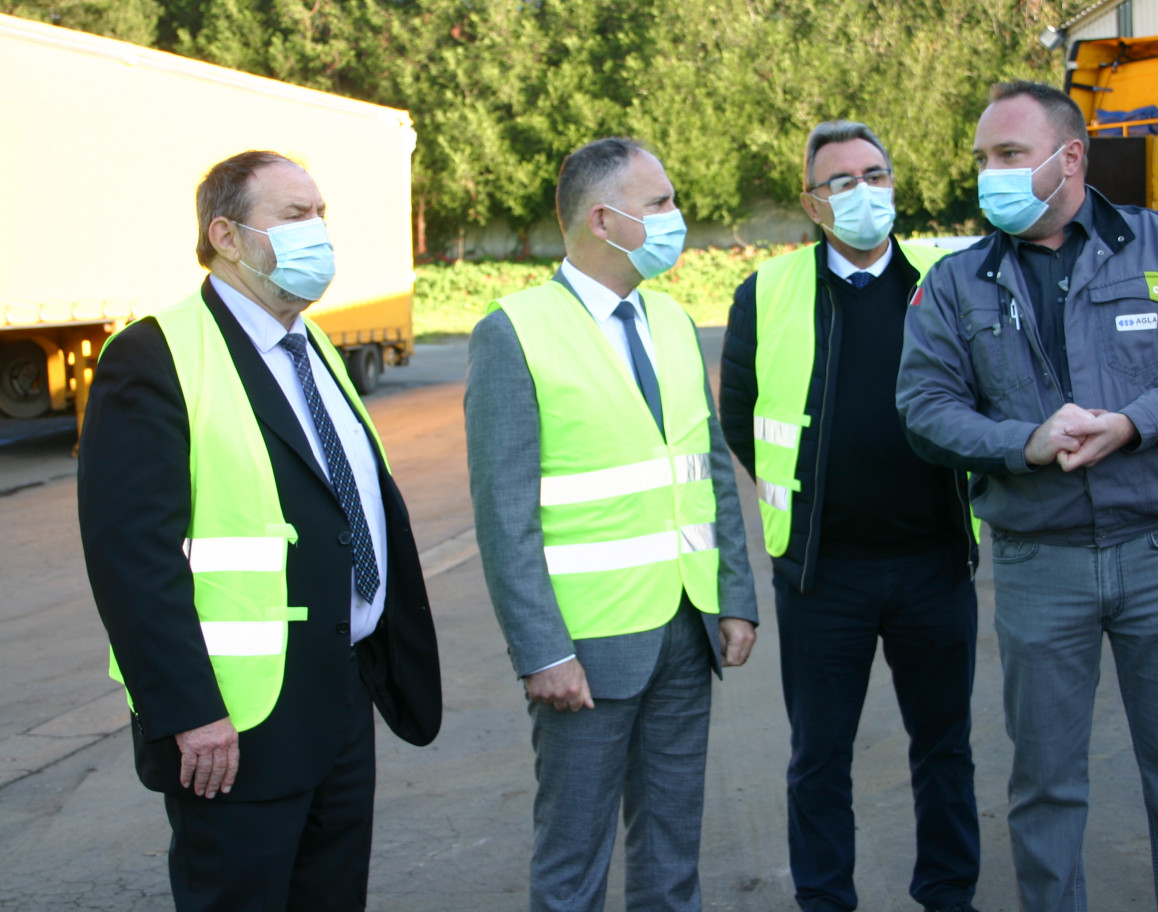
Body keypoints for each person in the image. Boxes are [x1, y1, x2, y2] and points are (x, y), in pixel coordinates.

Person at [898, 81, 1158, 912]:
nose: (988, 174)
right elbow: (924, 410)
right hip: (1039, 561)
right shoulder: (956, 283)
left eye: (1008, 156)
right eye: (983, 158)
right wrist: (1019, 444)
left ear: (1070, 158)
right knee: (1046, 789)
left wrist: (1134, 422)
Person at [78, 150, 442, 911]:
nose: (320, 232)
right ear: (228, 235)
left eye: (322, 214)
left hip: (341, 689)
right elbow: (131, 559)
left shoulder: (313, 351)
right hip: (233, 722)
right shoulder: (154, 356)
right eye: (295, 215)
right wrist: (188, 711)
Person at [465, 136, 759, 912]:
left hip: (685, 630)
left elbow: (705, 470)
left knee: (672, 857)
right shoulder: (514, 332)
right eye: (659, 202)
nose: (676, 217)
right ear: (603, 219)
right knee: (574, 864)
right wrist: (542, 651)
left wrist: (733, 595)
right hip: (584, 651)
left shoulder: (668, 320)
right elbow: (505, 517)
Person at [719, 120, 981, 912]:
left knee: (944, 751)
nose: (862, 192)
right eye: (840, 181)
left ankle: (947, 894)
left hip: (934, 566)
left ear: (894, 183)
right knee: (819, 759)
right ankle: (825, 900)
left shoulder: (947, 278)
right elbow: (740, 415)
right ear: (811, 202)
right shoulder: (769, 290)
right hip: (821, 575)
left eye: (875, 174)